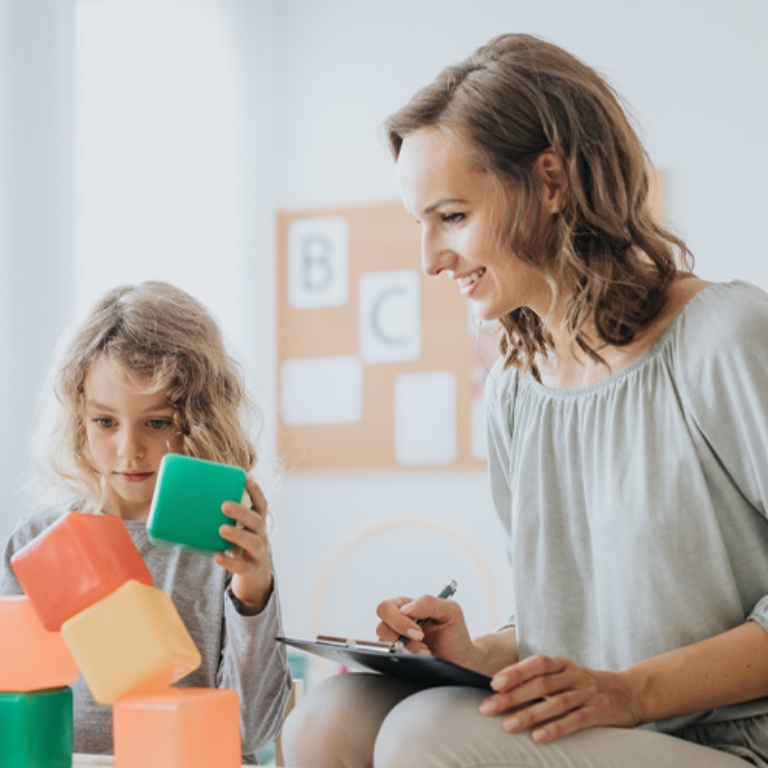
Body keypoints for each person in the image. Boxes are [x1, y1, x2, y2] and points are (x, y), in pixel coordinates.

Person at [281, 33, 768, 768]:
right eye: (421, 226)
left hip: (729, 742)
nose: (430, 260)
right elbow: (572, 637)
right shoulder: (517, 391)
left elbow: (615, 682)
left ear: (549, 182)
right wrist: (473, 652)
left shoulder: (724, 338)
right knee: (331, 715)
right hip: (610, 733)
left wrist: (632, 692)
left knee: (422, 737)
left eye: (451, 216)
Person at [0, 281, 292, 763]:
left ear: (199, 419)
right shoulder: (36, 541)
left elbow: (250, 731)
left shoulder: (223, 547)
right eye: (105, 422)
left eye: (156, 422)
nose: (128, 450)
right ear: (79, 418)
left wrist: (252, 590)